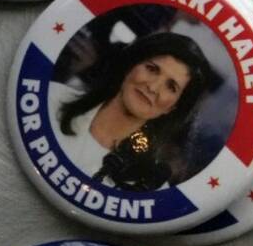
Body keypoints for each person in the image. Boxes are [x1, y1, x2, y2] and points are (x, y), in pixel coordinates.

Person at [51, 32, 219, 191]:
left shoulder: (152, 189)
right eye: (152, 69)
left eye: (171, 87)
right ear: (131, 66)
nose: (153, 87)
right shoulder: (51, 97)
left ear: (172, 108)